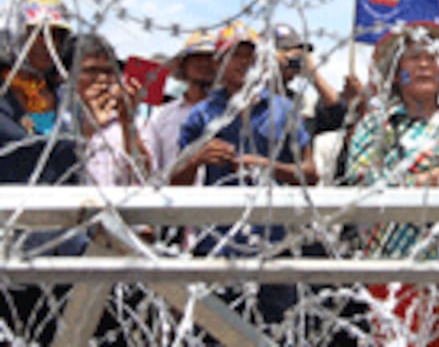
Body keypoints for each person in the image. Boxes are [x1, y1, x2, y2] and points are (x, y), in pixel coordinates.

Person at [346, 21, 439, 346]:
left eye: (432, 58)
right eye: (413, 58)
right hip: (392, 263)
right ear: (397, 74)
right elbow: (362, 181)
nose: (425, 64)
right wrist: (434, 178)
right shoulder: (377, 125)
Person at [175, 21, 317, 328]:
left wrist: (269, 166)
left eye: (249, 57)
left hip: (272, 247)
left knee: (272, 333)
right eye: (233, 56)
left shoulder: (284, 110)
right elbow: (175, 183)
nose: (242, 64)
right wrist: (196, 159)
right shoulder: (201, 115)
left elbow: (311, 174)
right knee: (212, 333)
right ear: (218, 64)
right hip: (215, 247)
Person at [0, 0, 86, 344]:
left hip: (65, 253)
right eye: (36, 34)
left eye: (57, 35)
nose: (47, 45)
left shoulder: (68, 100)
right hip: (9, 252)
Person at [62, 33, 151, 186]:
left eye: (109, 72)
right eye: (91, 71)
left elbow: (145, 176)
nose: (102, 79)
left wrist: (127, 123)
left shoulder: (134, 123)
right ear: (68, 75)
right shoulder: (59, 120)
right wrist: (88, 131)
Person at [143, 31, 217, 182]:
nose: (204, 64)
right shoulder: (162, 116)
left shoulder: (231, 113)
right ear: (184, 65)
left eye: (210, 58)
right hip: (174, 201)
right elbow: (151, 167)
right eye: (196, 57)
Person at [272, 22, 348, 136]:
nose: (292, 59)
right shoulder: (250, 98)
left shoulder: (301, 104)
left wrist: (313, 74)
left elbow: (338, 116)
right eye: (285, 51)